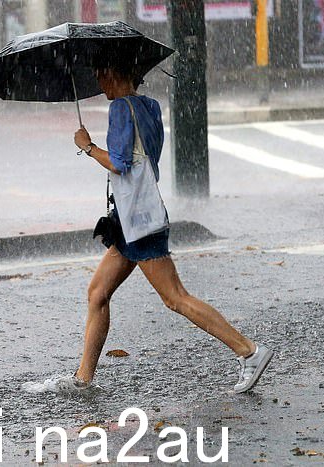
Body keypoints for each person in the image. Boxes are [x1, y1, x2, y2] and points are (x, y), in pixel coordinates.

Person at [68, 65, 273, 394]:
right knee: (98, 294)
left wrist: (88, 146)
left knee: (175, 298)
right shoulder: (149, 106)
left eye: (99, 74)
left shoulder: (120, 108)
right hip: (132, 218)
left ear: (114, 72)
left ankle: (249, 350)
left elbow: (120, 163)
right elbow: (144, 160)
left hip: (139, 220)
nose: (97, 81)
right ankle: (82, 379)